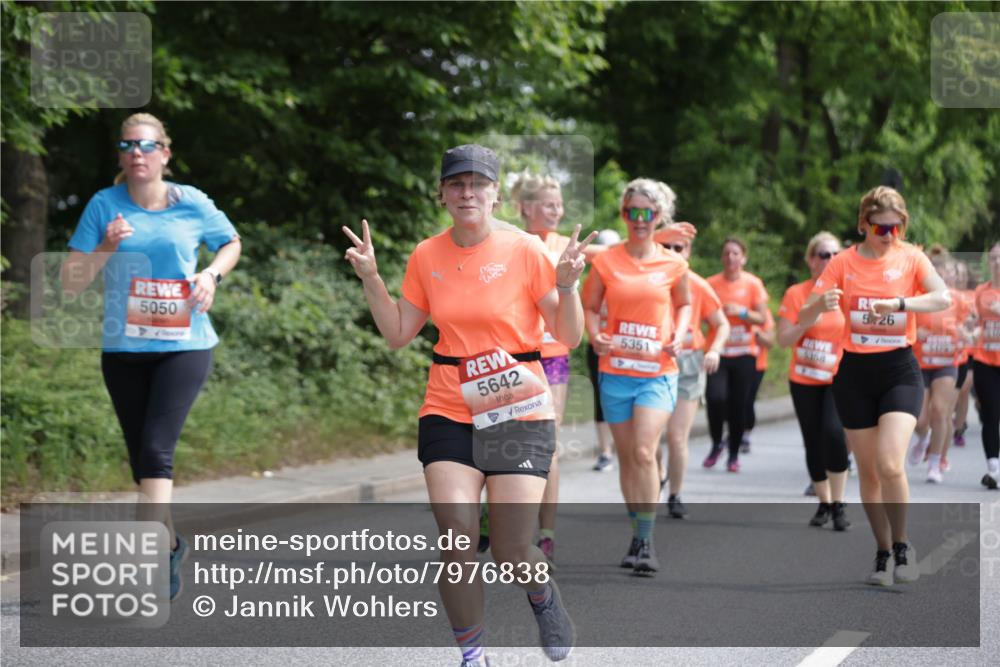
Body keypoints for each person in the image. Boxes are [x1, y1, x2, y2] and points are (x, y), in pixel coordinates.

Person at [343, 145, 593, 666]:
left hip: (517, 409)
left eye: (479, 184)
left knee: (509, 552)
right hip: (449, 405)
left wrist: (567, 286)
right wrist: (371, 277)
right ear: (442, 194)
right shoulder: (426, 255)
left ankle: (542, 596)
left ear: (497, 193)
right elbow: (396, 332)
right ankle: (473, 657)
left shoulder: (526, 250)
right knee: (456, 541)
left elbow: (566, 336)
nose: (468, 193)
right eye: (457, 184)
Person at [60, 112, 241, 600]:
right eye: (128, 146)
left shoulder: (192, 203)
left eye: (146, 145)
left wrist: (210, 277)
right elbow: (71, 281)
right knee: (142, 463)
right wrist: (105, 245)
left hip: (184, 347)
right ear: (121, 156)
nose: (137, 153)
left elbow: (230, 243)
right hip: (123, 349)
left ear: (164, 153)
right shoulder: (104, 205)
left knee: (158, 453)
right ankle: (172, 544)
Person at [799, 186, 950, 586]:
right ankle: (882, 551)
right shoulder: (843, 263)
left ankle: (902, 545)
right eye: (881, 228)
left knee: (888, 463)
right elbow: (806, 310)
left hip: (899, 369)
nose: (889, 236)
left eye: (896, 228)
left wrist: (901, 305)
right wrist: (822, 304)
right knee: (868, 473)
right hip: (854, 375)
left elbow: (942, 298)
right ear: (864, 224)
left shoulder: (911, 258)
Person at [584, 178, 691, 575]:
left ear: (659, 216)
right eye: (632, 213)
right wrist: (596, 334)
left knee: (646, 451)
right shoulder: (607, 261)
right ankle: (636, 532)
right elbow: (591, 307)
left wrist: (678, 335)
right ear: (624, 215)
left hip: (657, 373)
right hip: (615, 371)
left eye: (647, 213)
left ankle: (646, 542)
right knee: (628, 458)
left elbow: (683, 305)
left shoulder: (674, 263)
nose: (639, 220)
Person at [509, 173, 607, 566]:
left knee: (547, 447)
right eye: (549, 204)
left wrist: (664, 235)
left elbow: (622, 255)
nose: (556, 210)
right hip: (511, 357)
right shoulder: (511, 244)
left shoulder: (570, 246)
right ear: (526, 208)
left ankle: (546, 533)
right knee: (499, 445)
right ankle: (493, 518)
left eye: (560, 204)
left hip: (552, 358)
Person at [654, 227, 729, 518]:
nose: (673, 253)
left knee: (676, 436)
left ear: (688, 253)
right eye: (667, 247)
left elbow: (721, 324)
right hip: (654, 363)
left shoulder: (697, 284)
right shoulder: (650, 281)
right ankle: (658, 471)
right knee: (651, 437)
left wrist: (714, 350)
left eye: (679, 248)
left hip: (688, 363)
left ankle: (675, 494)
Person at [776, 232, 849, 530]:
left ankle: (840, 504)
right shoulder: (797, 293)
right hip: (804, 379)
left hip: (838, 378)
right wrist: (810, 318)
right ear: (810, 259)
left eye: (834, 255)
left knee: (833, 434)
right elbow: (783, 339)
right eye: (822, 254)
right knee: (813, 440)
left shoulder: (847, 293)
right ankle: (824, 503)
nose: (828, 260)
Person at [703, 237, 770, 472]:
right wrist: (717, 315)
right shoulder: (710, 284)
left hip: (744, 353)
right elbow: (701, 315)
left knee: (738, 404)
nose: (730, 258)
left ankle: (733, 454)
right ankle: (715, 444)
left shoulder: (752, 284)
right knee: (715, 398)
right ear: (722, 258)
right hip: (718, 352)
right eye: (726, 253)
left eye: (735, 253)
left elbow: (762, 318)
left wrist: (741, 312)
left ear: (743, 258)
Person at [908, 254, 974, 482]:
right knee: (919, 419)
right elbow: (903, 328)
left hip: (947, 363)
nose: (944, 276)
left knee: (940, 411)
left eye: (947, 272)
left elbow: (972, 324)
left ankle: (935, 463)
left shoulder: (959, 299)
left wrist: (967, 334)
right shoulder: (917, 298)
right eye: (938, 272)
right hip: (920, 363)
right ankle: (923, 439)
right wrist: (917, 334)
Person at [590, 230, 622, 473]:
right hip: (598, 346)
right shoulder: (593, 277)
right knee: (601, 399)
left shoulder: (625, 276)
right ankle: (605, 452)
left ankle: (625, 446)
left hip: (624, 349)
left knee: (621, 399)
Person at [973, 242, 1000, 490]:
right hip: (984, 361)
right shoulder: (981, 291)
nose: (998, 263)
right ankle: (994, 467)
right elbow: (973, 321)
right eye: (993, 258)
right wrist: (969, 331)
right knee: (991, 414)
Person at [742, 309, 775, 454]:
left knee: (747, 401)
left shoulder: (762, 314)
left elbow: (770, 343)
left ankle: (745, 435)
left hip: (757, 365)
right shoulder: (733, 308)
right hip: (733, 362)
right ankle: (733, 433)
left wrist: (755, 333)